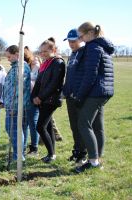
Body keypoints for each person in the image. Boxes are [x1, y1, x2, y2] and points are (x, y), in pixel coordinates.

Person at [75, 22, 114, 173]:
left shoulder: (92, 47)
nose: (81, 39)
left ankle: (93, 162)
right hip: (104, 90)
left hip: (96, 91)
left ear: (90, 33)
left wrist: (80, 96)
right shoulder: (102, 46)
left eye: (81, 36)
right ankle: (97, 158)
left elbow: (90, 75)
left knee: (83, 123)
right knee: (97, 125)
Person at [31, 38, 66, 163]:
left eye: (45, 51)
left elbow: (54, 84)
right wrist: (33, 96)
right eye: (41, 52)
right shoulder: (45, 64)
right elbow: (39, 83)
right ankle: (52, 154)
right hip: (42, 100)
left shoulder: (58, 63)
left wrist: (40, 97)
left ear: (53, 50)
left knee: (40, 127)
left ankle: (51, 154)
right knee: (48, 126)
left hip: (51, 100)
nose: (43, 54)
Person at [62, 28, 88, 164]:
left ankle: (83, 153)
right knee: (73, 126)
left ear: (80, 39)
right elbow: (69, 77)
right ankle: (77, 150)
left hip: (80, 97)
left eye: (74, 40)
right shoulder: (71, 55)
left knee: (81, 126)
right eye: (69, 41)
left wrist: (79, 93)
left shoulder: (84, 53)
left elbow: (85, 76)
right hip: (70, 97)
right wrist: (65, 92)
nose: (71, 43)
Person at [4, 45, 31, 161]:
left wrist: (12, 106)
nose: (8, 59)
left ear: (16, 54)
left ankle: (18, 156)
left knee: (13, 130)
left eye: (9, 56)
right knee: (20, 130)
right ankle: (20, 153)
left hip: (16, 106)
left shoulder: (21, 68)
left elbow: (19, 88)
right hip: (14, 105)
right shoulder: (15, 67)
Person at [23, 48, 40, 156]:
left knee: (33, 124)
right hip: (26, 99)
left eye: (36, 61)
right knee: (25, 124)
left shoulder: (37, 69)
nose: (34, 62)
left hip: (34, 100)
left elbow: (34, 85)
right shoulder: (28, 69)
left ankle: (34, 148)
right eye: (33, 61)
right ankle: (23, 146)